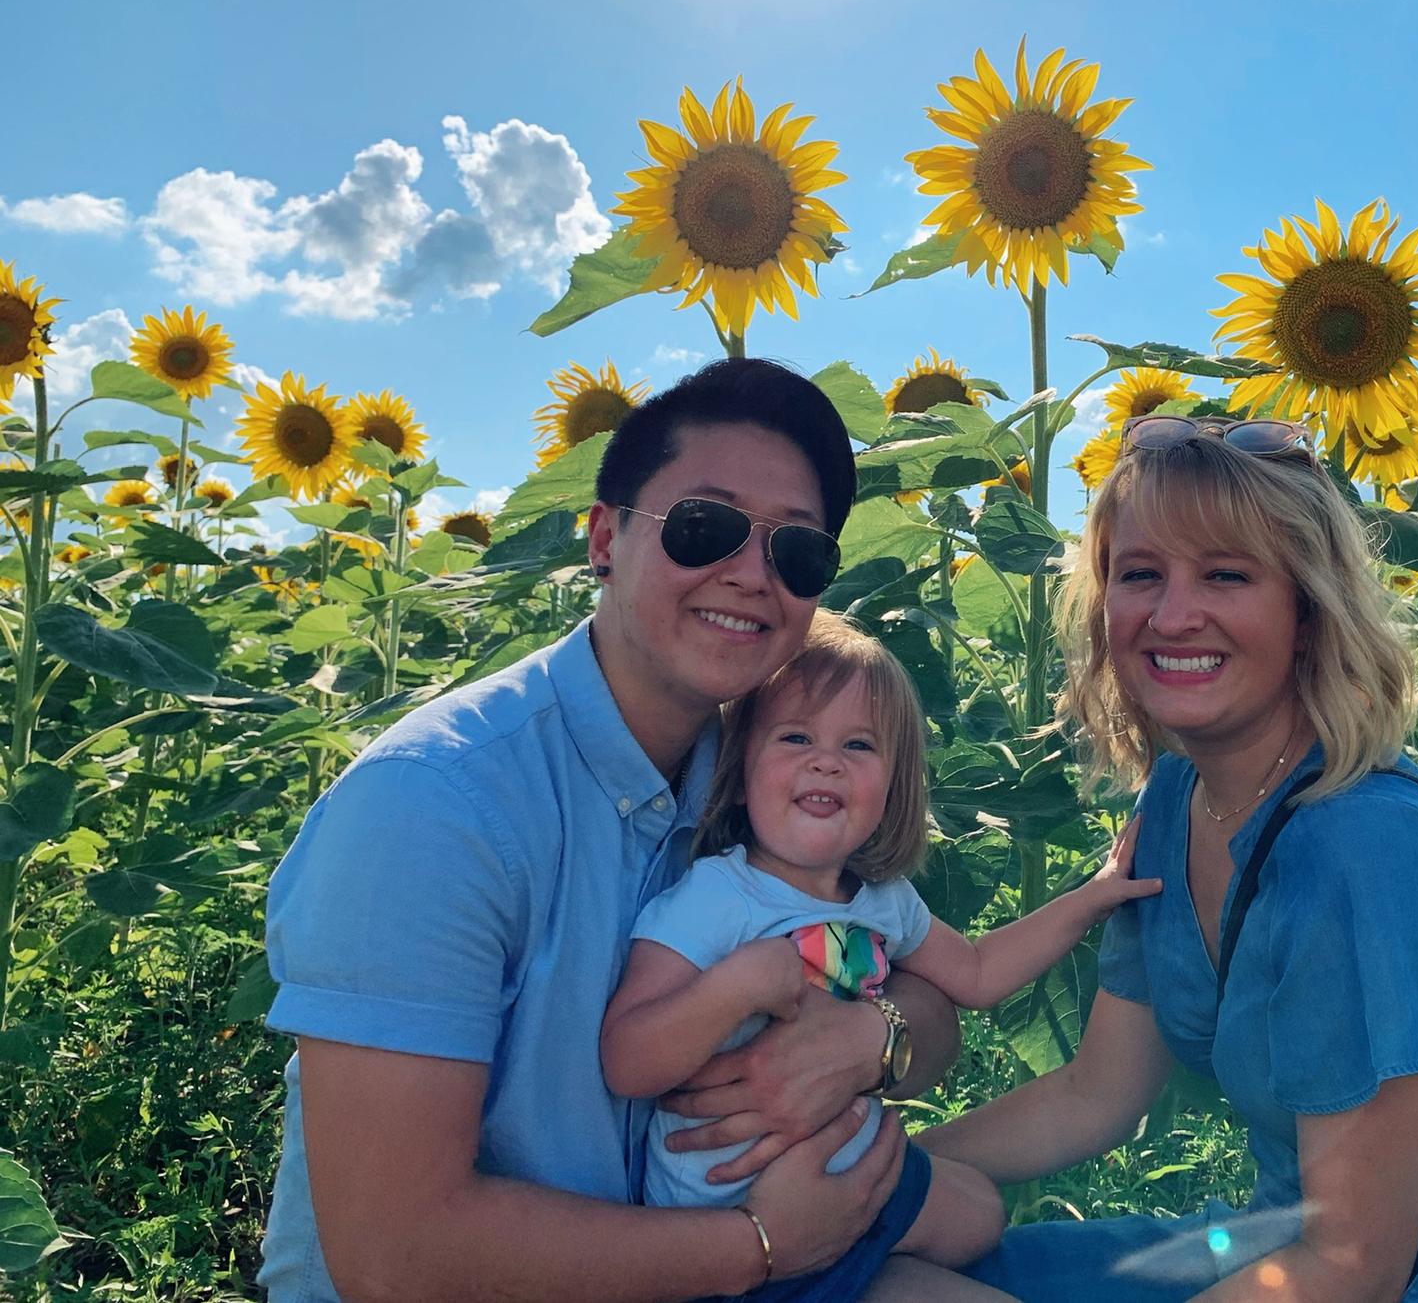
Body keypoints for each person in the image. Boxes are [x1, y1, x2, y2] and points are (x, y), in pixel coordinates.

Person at [926, 414, 1418, 1303]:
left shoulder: (1360, 843)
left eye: (1225, 574)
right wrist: (876, 1178)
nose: (1171, 614)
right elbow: (1098, 1092)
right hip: (1286, 1242)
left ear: (1308, 609)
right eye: (1140, 574)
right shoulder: (1176, 798)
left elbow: (1352, 1267)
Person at [259, 359, 963, 1303]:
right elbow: (395, 1253)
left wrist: (870, 1037)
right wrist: (758, 1243)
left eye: (798, 552)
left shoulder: (769, 782)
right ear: (602, 538)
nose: (751, 575)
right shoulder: (434, 808)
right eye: (703, 527)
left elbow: (932, 1001)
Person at [602, 611, 1160, 1301]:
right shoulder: (717, 898)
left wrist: (1095, 896)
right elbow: (627, 1059)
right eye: (795, 737)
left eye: (858, 746)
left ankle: (863, 1263)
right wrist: (737, 985)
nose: (825, 760)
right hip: (732, 1207)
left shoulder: (882, 901)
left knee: (981, 1216)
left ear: (894, 786)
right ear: (740, 771)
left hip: (851, 1168)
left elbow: (979, 974)